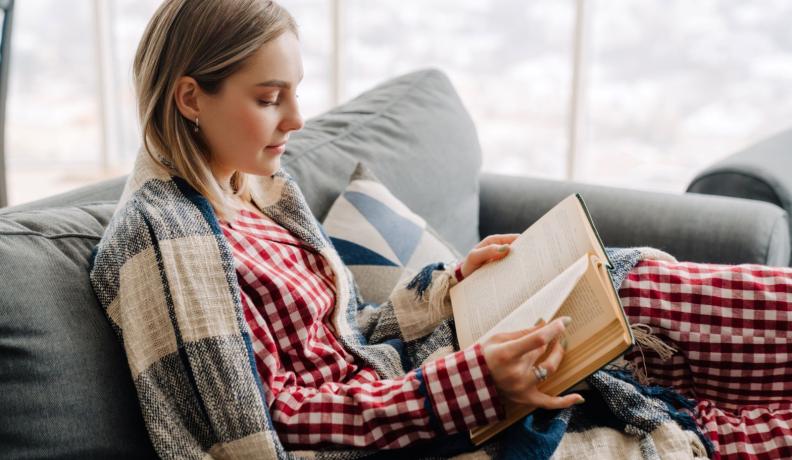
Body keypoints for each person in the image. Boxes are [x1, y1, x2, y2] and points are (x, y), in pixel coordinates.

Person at [89, 1, 791, 459]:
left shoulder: (259, 190)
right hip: (429, 408)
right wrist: (474, 382)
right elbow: (260, 431)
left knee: (633, 284)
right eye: (270, 98)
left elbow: (347, 336)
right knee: (712, 429)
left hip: (438, 368)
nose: (297, 119)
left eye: (296, 92)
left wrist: (452, 287)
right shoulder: (164, 239)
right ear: (190, 97)